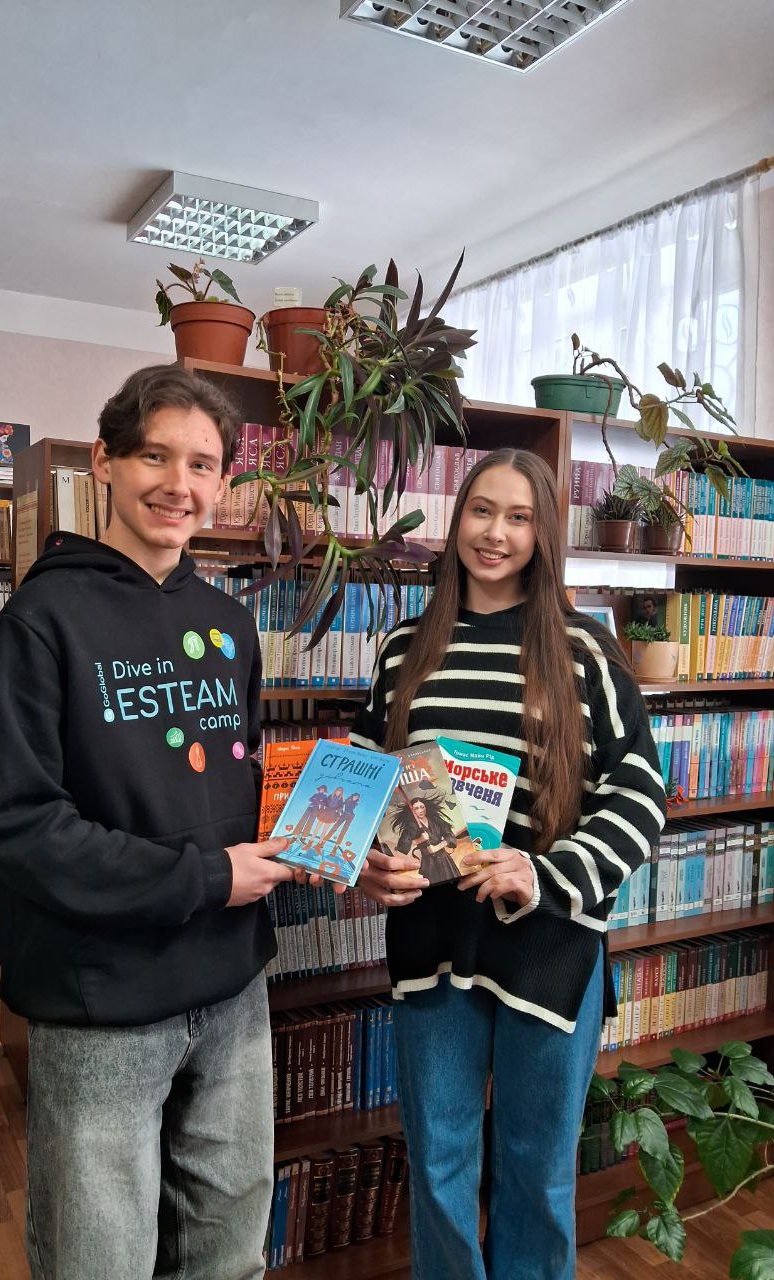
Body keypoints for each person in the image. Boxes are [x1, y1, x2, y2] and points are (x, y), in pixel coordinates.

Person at [0, 364, 294, 1280]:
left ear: (223, 481)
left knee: (229, 1255)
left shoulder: (230, 625)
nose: (178, 484)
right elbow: (22, 828)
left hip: (233, 987)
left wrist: (314, 830)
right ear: (105, 461)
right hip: (101, 1003)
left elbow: (239, 788)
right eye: (155, 455)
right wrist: (208, 877)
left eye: (202, 464)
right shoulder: (39, 623)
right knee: (98, 1262)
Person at [350, 447, 666, 1280]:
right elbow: (360, 775)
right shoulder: (404, 648)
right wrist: (363, 859)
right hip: (432, 940)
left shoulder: (586, 651)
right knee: (439, 1164)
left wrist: (545, 874)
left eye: (519, 517)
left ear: (543, 533)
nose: (495, 533)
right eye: (481, 511)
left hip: (547, 946)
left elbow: (640, 792)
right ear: (458, 520)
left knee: (536, 1172)